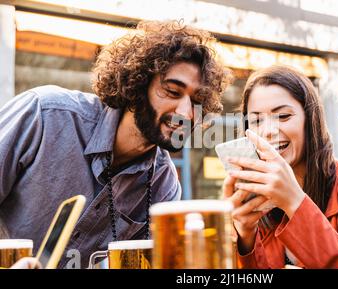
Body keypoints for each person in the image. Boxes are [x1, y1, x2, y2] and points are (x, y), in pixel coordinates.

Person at [0, 20, 230, 268]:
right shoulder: (45, 115)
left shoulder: (163, 183)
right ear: (138, 85)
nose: (186, 113)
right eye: (173, 92)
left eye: (196, 101)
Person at [223, 66, 338, 268]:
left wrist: (294, 201)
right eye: (256, 120)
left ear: (310, 120)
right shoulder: (258, 201)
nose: (268, 131)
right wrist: (245, 236)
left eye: (283, 116)